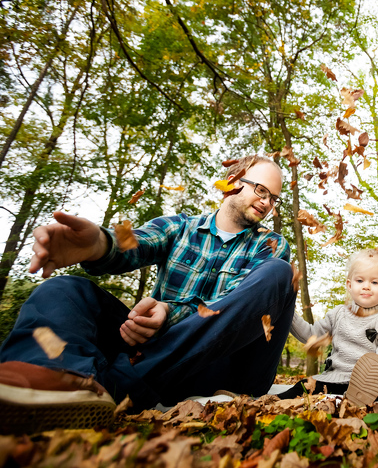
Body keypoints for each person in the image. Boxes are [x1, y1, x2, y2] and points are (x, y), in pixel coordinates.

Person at [0, 155, 296, 434]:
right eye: (260, 189)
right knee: (62, 288)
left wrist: (169, 313)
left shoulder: (271, 246)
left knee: (278, 273)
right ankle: (46, 378)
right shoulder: (179, 226)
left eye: (273, 198)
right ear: (233, 182)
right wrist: (99, 244)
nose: (267, 202)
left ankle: (114, 385)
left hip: (223, 366)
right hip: (152, 355)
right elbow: (136, 243)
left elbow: (232, 309)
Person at [277, 246, 378, 407]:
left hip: (369, 384)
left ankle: (356, 402)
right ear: (349, 285)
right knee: (302, 386)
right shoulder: (339, 314)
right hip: (333, 379)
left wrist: (372, 379)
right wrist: (288, 312)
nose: (366, 286)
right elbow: (312, 334)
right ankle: (269, 402)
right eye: (360, 280)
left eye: (374, 282)